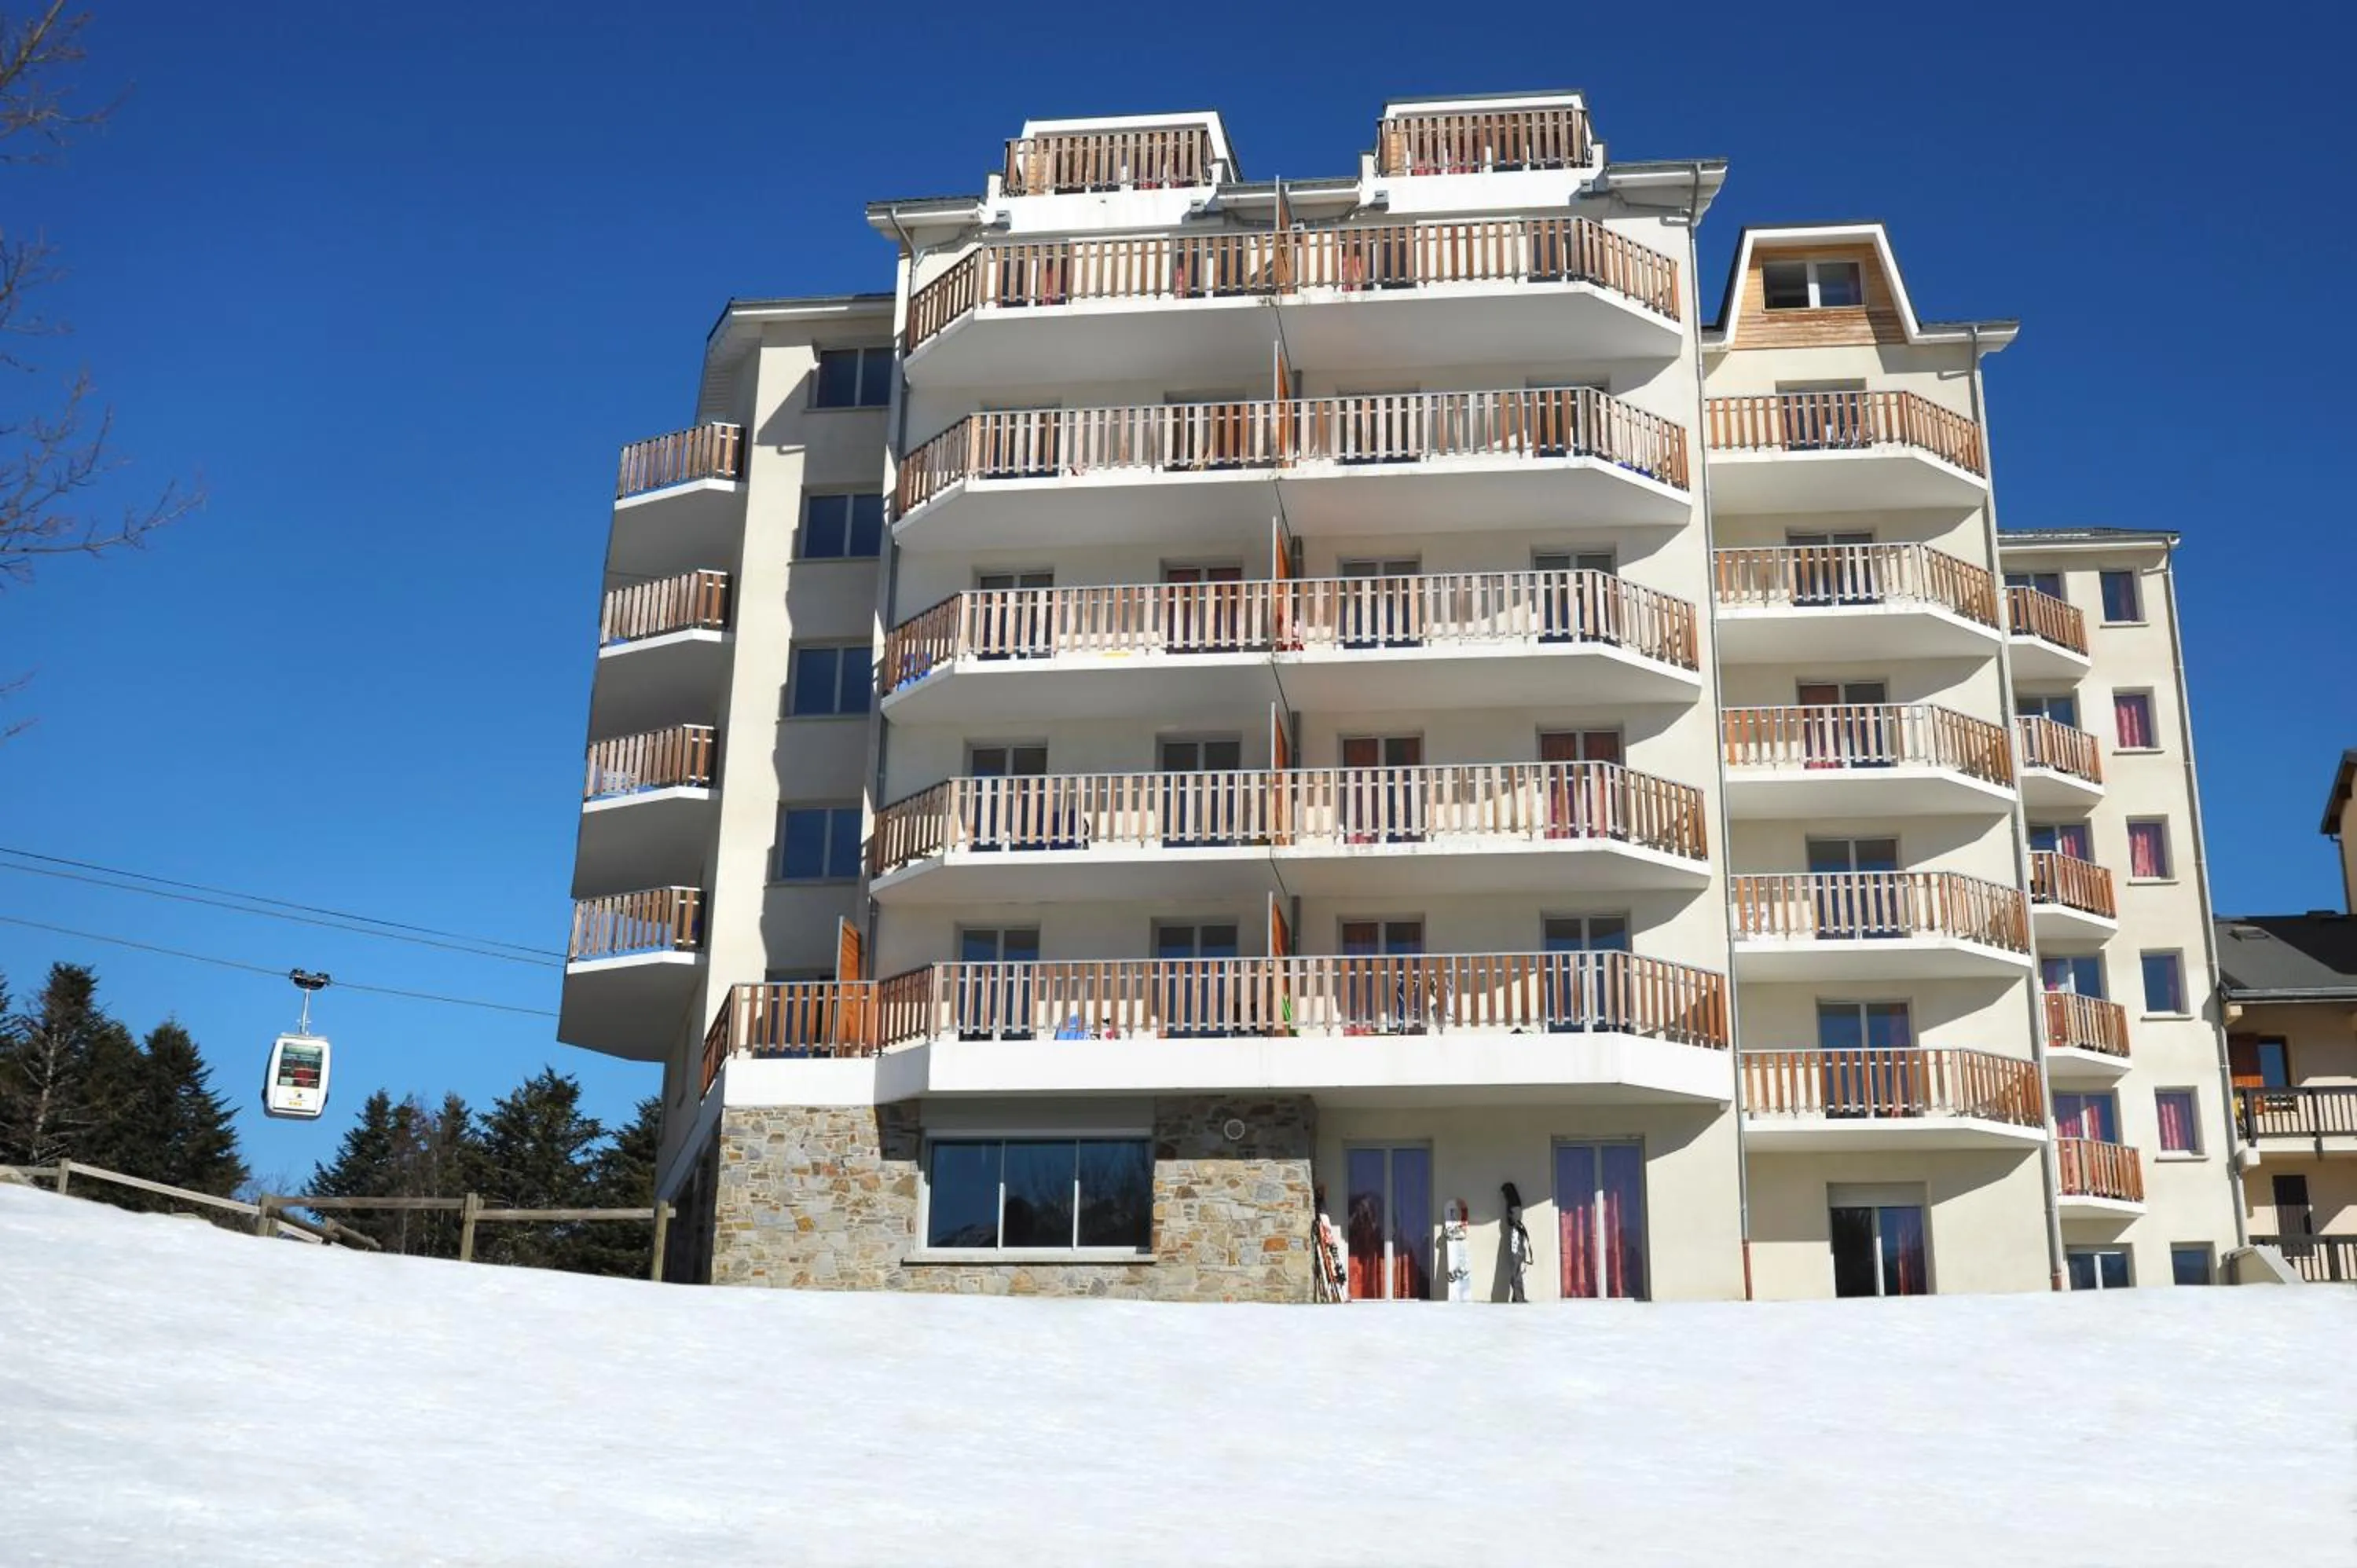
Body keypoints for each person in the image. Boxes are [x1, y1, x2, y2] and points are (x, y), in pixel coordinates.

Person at [1501, 1181, 1533, 1303]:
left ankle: (1518, 1297)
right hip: (1518, 1235)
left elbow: (1515, 1219)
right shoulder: (1515, 1202)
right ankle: (1517, 1296)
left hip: (1515, 1235)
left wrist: (1512, 1223)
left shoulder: (1514, 1204)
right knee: (1516, 1268)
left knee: (1515, 1268)